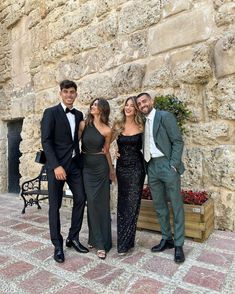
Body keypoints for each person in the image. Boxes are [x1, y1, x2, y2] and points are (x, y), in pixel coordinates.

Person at [41, 80, 88, 263]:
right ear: (61, 93)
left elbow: (77, 138)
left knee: (81, 198)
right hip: (57, 167)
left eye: (72, 92)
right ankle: (57, 245)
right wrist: (56, 166)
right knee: (55, 206)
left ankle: (73, 237)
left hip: (75, 165)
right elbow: (46, 141)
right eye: (66, 92)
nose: (69, 95)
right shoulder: (50, 113)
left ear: (76, 95)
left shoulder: (79, 115)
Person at [136, 92, 185, 263]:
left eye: (144, 101)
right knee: (159, 205)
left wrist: (173, 164)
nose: (142, 105)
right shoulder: (142, 122)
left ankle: (179, 244)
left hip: (167, 164)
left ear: (151, 101)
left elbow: (178, 141)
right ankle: (167, 239)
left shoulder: (165, 116)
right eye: (139, 103)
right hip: (152, 166)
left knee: (176, 204)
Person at [79, 98, 114, 260]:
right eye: (92, 104)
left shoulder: (107, 130)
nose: (93, 106)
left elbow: (106, 151)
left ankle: (101, 243)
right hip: (86, 167)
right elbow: (74, 144)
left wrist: (111, 170)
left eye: (96, 105)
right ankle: (96, 239)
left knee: (102, 204)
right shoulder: (83, 124)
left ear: (102, 109)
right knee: (92, 202)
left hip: (101, 168)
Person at [112, 96, 145, 255]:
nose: (128, 107)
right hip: (122, 168)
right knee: (122, 204)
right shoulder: (118, 125)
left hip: (137, 168)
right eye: (126, 105)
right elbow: (106, 142)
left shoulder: (142, 125)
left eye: (132, 105)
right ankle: (125, 241)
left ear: (136, 109)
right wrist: (114, 152)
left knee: (133, 204)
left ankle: (126, 243)